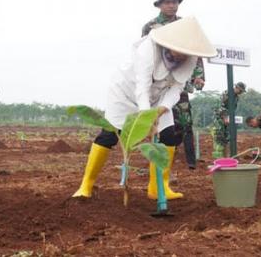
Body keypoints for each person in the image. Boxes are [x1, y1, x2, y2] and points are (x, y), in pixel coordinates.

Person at [73, 17, 216, 200]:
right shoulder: (148, 48)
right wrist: (146, 118)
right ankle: (86, 185)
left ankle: (158, 188)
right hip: (126, 94)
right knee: (109, 135)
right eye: (179, 49)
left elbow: (177, 88)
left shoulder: (190, 57)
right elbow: (142, 86)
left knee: (169, 136)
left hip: (158, 99)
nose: (182, 55)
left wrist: (162, 109)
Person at [142, 0, 206, 169]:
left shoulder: (185, 25)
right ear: (160, 5)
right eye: (167, 2)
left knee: (185, 121)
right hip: (157, 82)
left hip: (180, 80)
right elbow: (144, 54)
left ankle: (191, 162)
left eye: (174, 2)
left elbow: (196, 52)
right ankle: (158, 162)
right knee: (157, 121)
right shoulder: (150, 27)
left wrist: (198, 76)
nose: (171, 5)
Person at [212, 82, 246, 157]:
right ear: (236, 88)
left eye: (242, 92)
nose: (240, 93)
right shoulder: (226, 94)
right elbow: (220, 106)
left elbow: (233, 109)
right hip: (220, 118)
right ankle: (219, 158)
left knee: (226, 138)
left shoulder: (236, 97)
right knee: (219, 137)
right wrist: (224, 117)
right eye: (240, 91)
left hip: (228, 119)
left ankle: (226, 157)